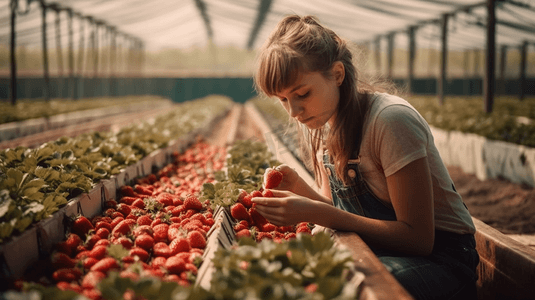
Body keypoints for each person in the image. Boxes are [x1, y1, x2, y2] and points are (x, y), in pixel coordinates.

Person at [251, 15, 480, 300]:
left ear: (337, 74)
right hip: (383, 251)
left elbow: (418, 239)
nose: (293, 111)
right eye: (283, 100)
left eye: (302, 94)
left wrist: (314, 212)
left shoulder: (390, 121)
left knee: (350, 288)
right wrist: (299, 187)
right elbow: (343, 211)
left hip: (444, 259)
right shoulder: (323, 125)